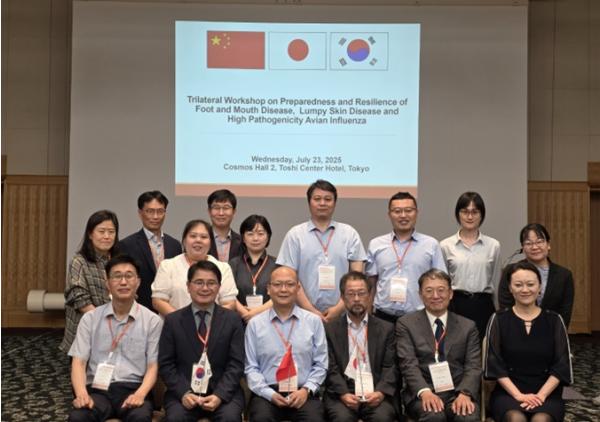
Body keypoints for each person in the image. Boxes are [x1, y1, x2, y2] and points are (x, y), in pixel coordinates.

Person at [68, 254, 163, 422]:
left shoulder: (152, 321)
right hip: (97, 390)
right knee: (78, 417)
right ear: (108, 284)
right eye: (117, 276)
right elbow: (79, 362)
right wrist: (82, 394)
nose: (123, 282)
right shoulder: (91, 318)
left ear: (138, 282)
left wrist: (140, 394)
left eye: (129, 276)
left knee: (140, 417)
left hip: (133, 388)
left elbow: (153, 365)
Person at [485, 261, 573, 422]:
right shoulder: (498, 319)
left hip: (547, 393)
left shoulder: (554, 320)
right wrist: (518, 395)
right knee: (515, 418)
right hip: (508, 392)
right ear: (510, 288)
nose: (525, 290)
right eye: (518, 285)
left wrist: (541, 395)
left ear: (539, 287)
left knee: (541, 419)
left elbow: (561, 365)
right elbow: (495, 365)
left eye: (530, 284)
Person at [158, 260, 245, 422]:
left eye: (211, 283)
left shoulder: (232, 320)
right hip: (183, 393)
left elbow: (236, 363)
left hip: (224, 393)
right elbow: (166, 364)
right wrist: (184, 393)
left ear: (219, 287)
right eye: (199, 282)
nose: (205, 288)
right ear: (188, 286)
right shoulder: (173, 321)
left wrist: (219, 395)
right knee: (176, 418)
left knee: (230, 418)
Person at [245, 266, 328, 422]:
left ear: (298, 288)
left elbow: (321, 364)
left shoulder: (313, 322)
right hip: (267, 394)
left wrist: (306, 390)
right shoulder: (255, 324)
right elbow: (251, 367)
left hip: (303, 393)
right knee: (261, 417)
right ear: (268, 289)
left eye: (290, 284)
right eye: (277, 284)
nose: (283, 289)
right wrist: (269, 394)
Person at [397, 269, 481, 422]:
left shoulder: (468, 326)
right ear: (420, 295)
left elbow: (473, 365)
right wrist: (424, 391)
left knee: (467, 417)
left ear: (450, 294)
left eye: (441, 290)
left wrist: (465, 393)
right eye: (429, 291)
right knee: (433, 415)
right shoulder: (406, 324)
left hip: (457, 391)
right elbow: (408, 364)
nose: (435, 296)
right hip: (423, 392)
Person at [277, 179, 366, 321]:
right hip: (303, 315)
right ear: (309, 202)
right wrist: (311, 311)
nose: (322, 203)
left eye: (328, 199)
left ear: (335, 203)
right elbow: (289, 279)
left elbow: (357, 278)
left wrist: (339, 308)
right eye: (317, 199)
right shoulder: (295, 235)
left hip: (342, 315)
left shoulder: (350, 234)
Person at [324, 271, 398, 422]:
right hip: (343, 391)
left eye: (361, 293)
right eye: (351, 294)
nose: (356, 299)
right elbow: (330, 367)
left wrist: (380, 393)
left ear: (370, 296)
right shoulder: (330, 330)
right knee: (341, 418)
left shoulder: (386, 329)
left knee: (382, 418)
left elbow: (391, 366)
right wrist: (343, 393)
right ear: (342, 297)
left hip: (376, 390)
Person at [366, 191, 447, 324]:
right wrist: (368, 316)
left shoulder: (431, 245)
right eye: (397, 211)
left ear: (416, 213)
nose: (403, 215)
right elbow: (371, 284)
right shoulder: (376, 244)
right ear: (389, 214)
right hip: (383, 317)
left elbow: (441, 283)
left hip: (419, 318)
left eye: (408, 210)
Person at [440, 192, 501, 340]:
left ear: (482, 215)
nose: (469, 217)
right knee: (455, 347)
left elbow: (496, 280)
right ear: (458, 214)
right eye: (465, 211)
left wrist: (498, 310)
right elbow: (442, 282)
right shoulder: (445, 245)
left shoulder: (493, 245)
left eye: (475, 212)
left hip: (484, 305)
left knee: (483, 347)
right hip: (456, 304)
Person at [60, 210, 120, 353]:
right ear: (90, 234)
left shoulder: (119, 261)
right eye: (101, 231)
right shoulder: (79, 261)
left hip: (117, 331)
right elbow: (79, 298)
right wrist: (106, 322)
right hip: (87, 332)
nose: (107, 236)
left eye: (111, 232)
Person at [151, 219, 237, 315]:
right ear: (184, 241)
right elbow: (158, 301)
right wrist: (180, 321)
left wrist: (210, 321)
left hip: (215, 324)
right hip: (175, 323)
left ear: (211, 242)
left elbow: (229, 303)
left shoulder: (223, 268)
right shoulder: (168, 266)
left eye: (204, 237)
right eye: (193, 236)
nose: (198, 240)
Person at [498, 223, 574, 327]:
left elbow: (564, 313)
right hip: (515, 329)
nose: (534, 247)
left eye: (539, 242)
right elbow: (505, 307)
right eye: (528, 243)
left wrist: (556, 333)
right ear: (523, 247)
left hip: (551, 331)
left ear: (548, 244)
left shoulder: (563, 275)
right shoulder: (510, 271)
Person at [119, 190, 182, 312]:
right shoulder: (126, 245)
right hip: (139, 311)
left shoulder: (175, 245)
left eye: (160, 211)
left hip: (170, 311)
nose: (155, 216)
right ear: (140, 213)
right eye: (150, 211)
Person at [229, 215, 277, 322]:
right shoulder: (233, 264)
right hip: (239, 321)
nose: (255, 238)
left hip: (269, 322)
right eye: (250, 234)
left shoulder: (277, 265)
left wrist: (255, 313)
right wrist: (245, 313)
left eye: (260, 234)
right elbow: (228, 294)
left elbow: (280, 294)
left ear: (268, 237)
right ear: (243, 238)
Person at [207, 189, 242, 262]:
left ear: (234, 212)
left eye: (226, 208)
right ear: (209, 211)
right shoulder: (201, 239)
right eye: (216, 208)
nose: (221, 213)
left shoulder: (242, 242)